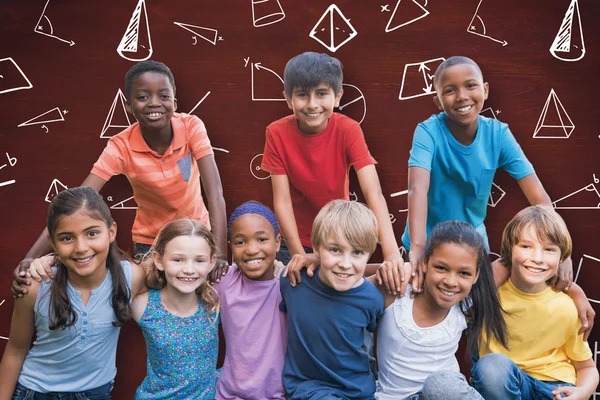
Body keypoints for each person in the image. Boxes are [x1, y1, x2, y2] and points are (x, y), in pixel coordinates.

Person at [12, 59, 227, 297]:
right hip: (151, 244)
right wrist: (31, 256)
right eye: (143, 97)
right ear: (128, 106)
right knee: (155, 309)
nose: (154, 103)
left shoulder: (191, 127)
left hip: (196, 233)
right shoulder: (120, 147)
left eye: (163, 96)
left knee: (201, 305)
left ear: (174, 103)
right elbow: (77, 203)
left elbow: (214, 192)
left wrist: (220, 254)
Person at [403, 55, 572, 294]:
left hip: (472, 246)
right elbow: (417, 188)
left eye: (470, 85)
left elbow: (539, 199)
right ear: (438, 101)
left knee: (475, 310)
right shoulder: (428, 131)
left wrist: (563, 252)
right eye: (450, 90)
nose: (462, 96)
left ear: (485, 90)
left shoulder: (498, 134)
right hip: (427, 242)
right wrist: (418, 249)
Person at [261, 51, 403, 278]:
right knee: (297, 297)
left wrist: (391, 251)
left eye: (321, 94)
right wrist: (299, 254)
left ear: (337, 97)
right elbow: (283, 201)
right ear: (288, 99)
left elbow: (372, 191)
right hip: (294, 239)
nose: (312, 104)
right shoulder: (276, 133)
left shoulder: (348, 129)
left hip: (338, 235)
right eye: (302, 95)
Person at [0, 187, 144, 399]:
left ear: (111, 232)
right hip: (35, 392)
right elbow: (15, 350)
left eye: (92, 233)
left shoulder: (132, 276)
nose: (81, 247)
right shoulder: (35, 285)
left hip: (96, 393)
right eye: (67, 238)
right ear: (53, 243)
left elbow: (174, 272)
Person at [471, 205, 599, 400]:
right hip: (501, 384)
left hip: (553, 389)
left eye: (549, 249)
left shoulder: (567, 306)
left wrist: (581, 392)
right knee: (491, 368)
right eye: (526, 246)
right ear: (509, 250)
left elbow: (587, 367)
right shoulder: (488, 295)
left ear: (561, 257)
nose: (537, 258)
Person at [373, 221, 506, 400]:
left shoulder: (465, 306)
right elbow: (349, 279)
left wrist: (558, 263)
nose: (451, 281)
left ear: (476, 276)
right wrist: (396, 269)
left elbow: (511, 263)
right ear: (424, 262)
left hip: (445, 393)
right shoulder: (397, 291)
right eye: (441, 268)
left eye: (464, 273)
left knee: (441, 385)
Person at [280, 199, 384, 399]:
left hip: (359, 390)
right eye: (335, 250)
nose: (345, 264)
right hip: (310, 388)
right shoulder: (294, 281)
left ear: (369, 254)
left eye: (357, 253)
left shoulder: (371, 299)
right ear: (317, 249)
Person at [132, 218, 220, 399]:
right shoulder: (142, 305)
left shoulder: (215, 301)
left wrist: (277, 267)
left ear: (211, 262)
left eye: (199, 260)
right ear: (159, 260)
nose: (189, 269)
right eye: (178, 260)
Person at [213, 201, 287, 399]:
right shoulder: (224, 281)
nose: (252, 249)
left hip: (279, 395)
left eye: (262, 239)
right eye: (240, 242)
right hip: (230, 394)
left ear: (277, 242)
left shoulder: (289, 285)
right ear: (230, 247)